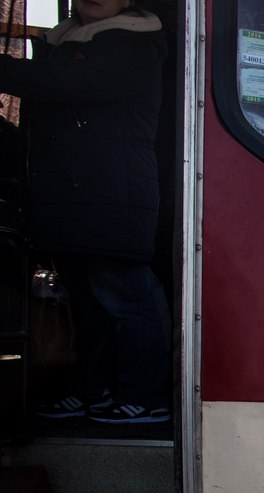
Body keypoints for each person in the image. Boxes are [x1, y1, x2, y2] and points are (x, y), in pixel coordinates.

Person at [0, 0, 171, 424]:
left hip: (112, 193)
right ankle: (90, 389)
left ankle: (144, 395)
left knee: (126, 297)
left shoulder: (134, 43)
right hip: (71, 196)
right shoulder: (66, 41)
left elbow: (68, 82)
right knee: (84, 302)